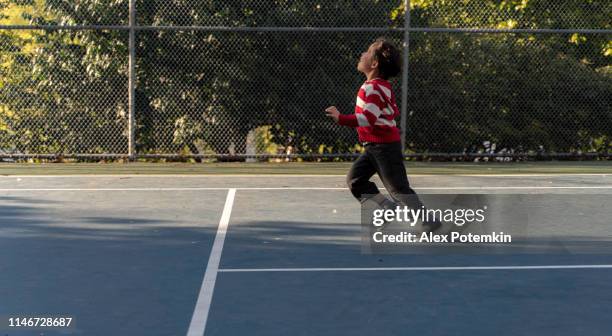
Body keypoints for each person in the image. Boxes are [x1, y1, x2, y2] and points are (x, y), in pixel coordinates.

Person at [324, 38, 441, 232]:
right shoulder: (378, 86)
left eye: (367, 53)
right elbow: (388, 112)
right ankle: (386, 207)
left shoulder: (375, 88)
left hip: (384, 147)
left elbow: (368, 118)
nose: (362, 55)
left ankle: (428, 220)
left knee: (398, 189)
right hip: (373, 146)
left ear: (374, 63)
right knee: (355, 181)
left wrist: (341, 118)